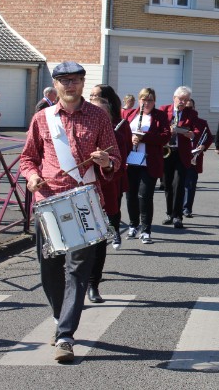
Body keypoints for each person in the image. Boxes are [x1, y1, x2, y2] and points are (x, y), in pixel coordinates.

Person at [19, 61, 120, 363]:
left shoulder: (98, 117)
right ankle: (59, 316)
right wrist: (31, 177)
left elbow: (115, 158)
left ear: (82, 83)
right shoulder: (42, 118)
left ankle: (65, 336)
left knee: (77, 270)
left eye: (75, 80)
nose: (70, 85)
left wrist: (106, 162)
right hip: (49, 201)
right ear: (56, 84)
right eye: (64, 80)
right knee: (49, 269)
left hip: (85, 201)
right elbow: (27, 158)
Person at [86, 93, 130, 303]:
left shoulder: (117, 137)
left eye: (101, 114)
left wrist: (107, 164)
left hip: (105, 194)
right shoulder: (79, 134)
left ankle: (93, 284)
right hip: (78, 194)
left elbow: (119, 169)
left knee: (99, 242)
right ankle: (75, 284)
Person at [123, 87, 170, 244]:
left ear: (154, 101)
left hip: (149, 162)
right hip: (131, 161)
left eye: (150, 100)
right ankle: (133, 225)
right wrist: (130, 139)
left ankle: (146, 230)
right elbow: (122, 135)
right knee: (130, 196)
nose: (146, 103)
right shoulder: (130, 114)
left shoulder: (160, 116)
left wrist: (144, 137)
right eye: (144, 99)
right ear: (139, 100)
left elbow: (165, 136)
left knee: (144, 196)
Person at [88, 84, 130, 250]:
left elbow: (124, 151)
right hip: (87, 182)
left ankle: (115, 231)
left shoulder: (119, 128)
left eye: (96, 95)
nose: (92, 98)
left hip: (111, 178)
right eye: (91, 96)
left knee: (113, 206)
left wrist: (109, 164)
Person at [159, 86, 203, 229]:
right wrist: (168, 130)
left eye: (186, 100)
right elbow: (158, 127)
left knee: (178, 184)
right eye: (181, 99)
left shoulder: (191, 113)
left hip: (181, 153)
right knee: (167, 184)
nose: (183, 102)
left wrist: (191, 134)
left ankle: (178, 216)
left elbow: (197, 130)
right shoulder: (164, 110)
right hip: (167, 152)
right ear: (174, 98)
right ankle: (169, 214)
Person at [182, 98, 213, 217]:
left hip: (194, 157)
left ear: (194, 108)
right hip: (180, 156)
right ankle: (177, 208)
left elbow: (209, 137)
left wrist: (203, 146)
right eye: (187, 108)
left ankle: (187, 209)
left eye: (191, 107)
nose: (189, 110)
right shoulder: (180, 121)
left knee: (190, 185)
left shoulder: (201, 122)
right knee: (179, 184)